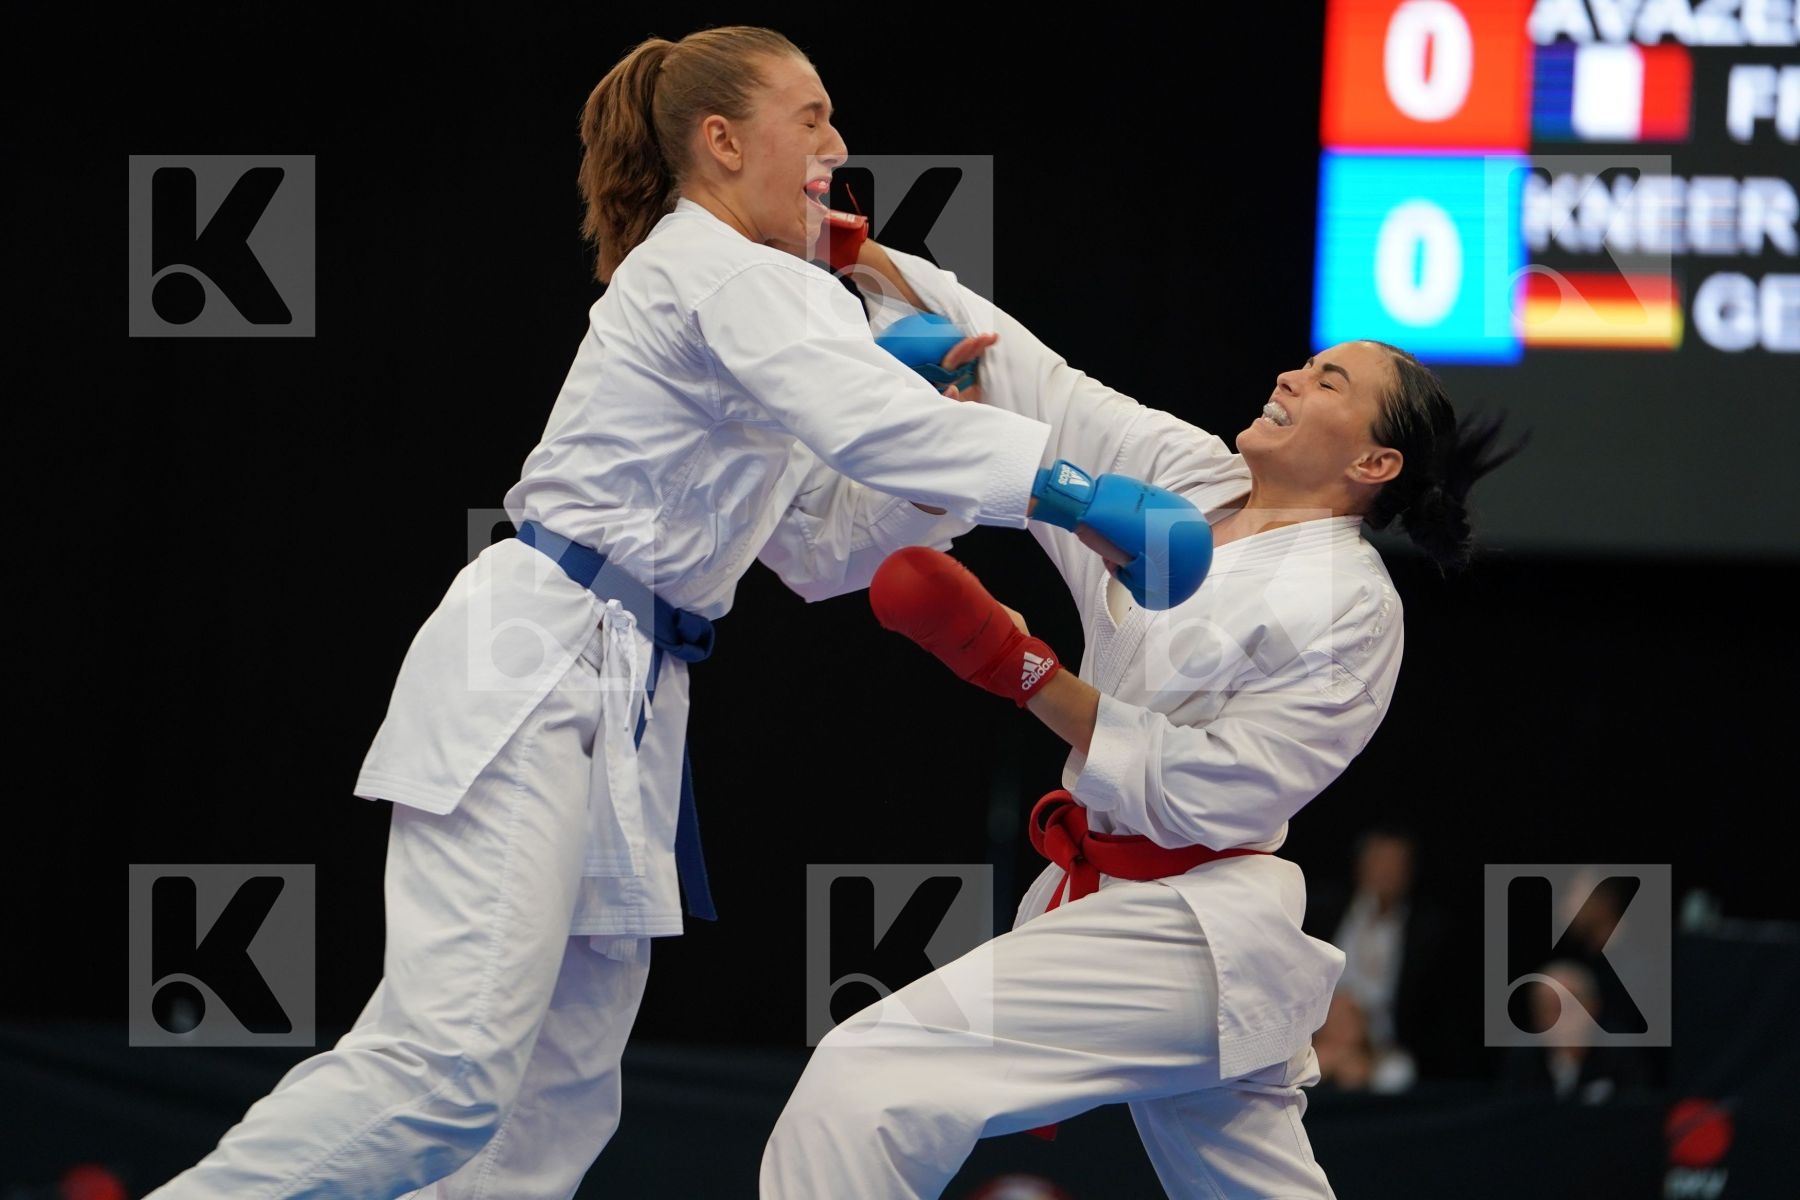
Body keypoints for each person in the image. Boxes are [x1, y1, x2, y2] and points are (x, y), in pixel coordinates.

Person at [143, 27, 1193, 1200]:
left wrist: (935, 456)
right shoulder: (712, 267)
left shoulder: (769, 308)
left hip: (634, 682)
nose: (838, 149)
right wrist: (1072, 491)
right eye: (814, 117)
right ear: (721, 139)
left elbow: (818, 547)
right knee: (440, 1072)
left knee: (557, 1098)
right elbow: (856, 413)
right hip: (537, 654)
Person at [759, 242, 1524, 1199]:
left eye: (1328, 380)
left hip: (1193, 922)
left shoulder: (1355, 606)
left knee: (866, 1078)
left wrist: (1023, 668)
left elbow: (1218, 789)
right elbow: (1033, 385)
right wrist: (860, 258)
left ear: (1374, 461)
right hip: (1127, 899)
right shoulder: (1188, 480)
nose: (1291, 374)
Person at [1303, 825, 1458, 1089]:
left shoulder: (1426, 932)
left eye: (1395, 863)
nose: (1386, 871)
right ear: (1360, 865)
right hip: (1319, 1040)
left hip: (1383, 1049)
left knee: (1395, 1076)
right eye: (1379, 861)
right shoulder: (1324, 913)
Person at [1499, 959, 1654, 1104]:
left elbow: (1637, 1111)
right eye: (1552, 1009)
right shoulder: (1524, 1058)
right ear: (1537, 1017)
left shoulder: (1620, 1051)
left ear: (1593, 1006)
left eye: (1571, 1006)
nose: (1563, 1019)